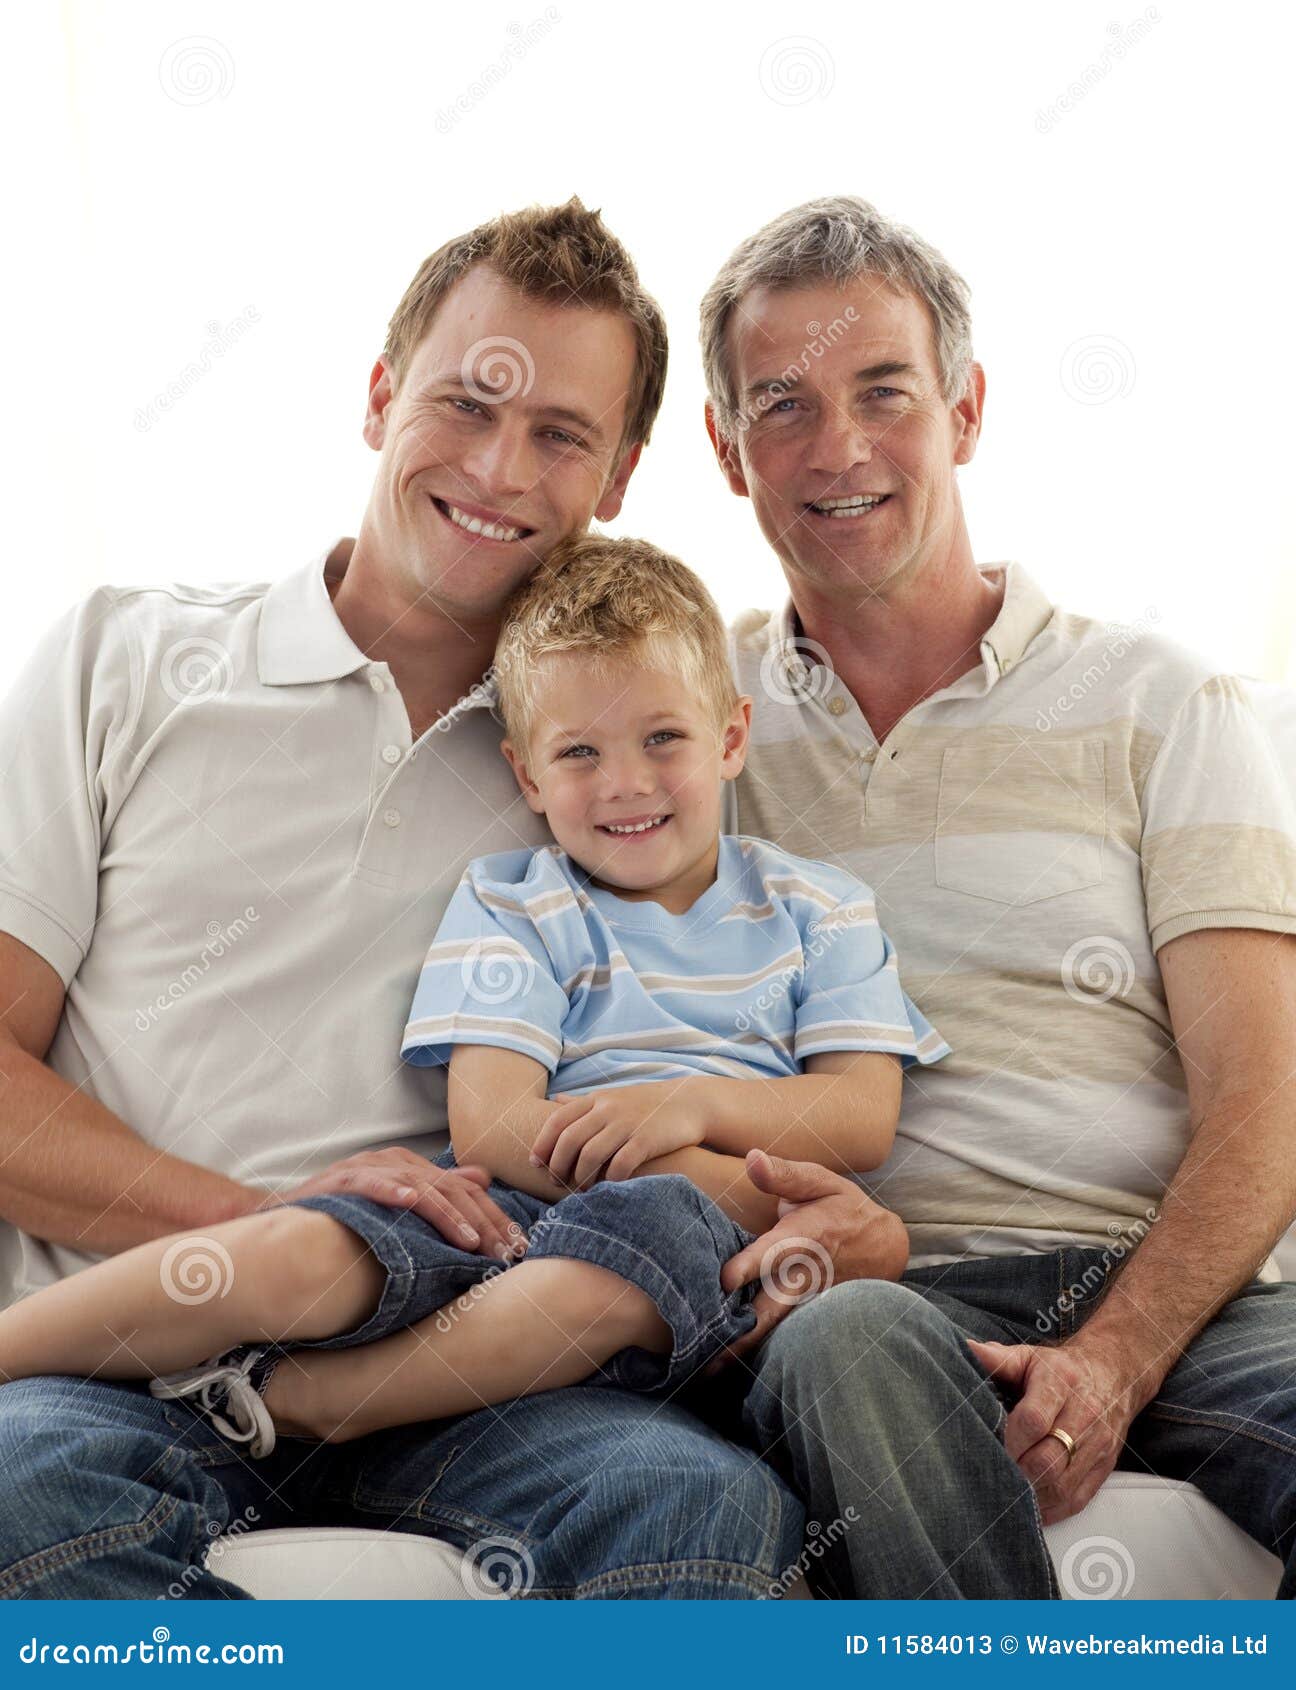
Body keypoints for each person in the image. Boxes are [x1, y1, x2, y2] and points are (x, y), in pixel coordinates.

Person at [0, 198, 909, 1602]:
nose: (500, 465)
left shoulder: (619, 749)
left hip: (494, 1355)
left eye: (561, 434)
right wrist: (261, 1234)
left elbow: (760, 1042)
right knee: (25, 1491)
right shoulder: (127, 657)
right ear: (380, 396)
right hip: (138, 1352)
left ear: (618, 473)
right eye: (468, 401)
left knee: (695, 1507)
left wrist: (838, 1218)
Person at [0, 534, 948, 1458]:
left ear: (732, 735)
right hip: (511, 1206)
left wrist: (686, 1112)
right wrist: (726, 1178)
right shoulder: (514, 901)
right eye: (580, 753)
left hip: (688, 1238)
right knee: (300, 1248)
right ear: (527, 775)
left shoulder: (819, 907)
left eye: (664, 737)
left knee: (621, 1263)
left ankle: (310, 1403)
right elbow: (494, 1129)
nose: (626, 783)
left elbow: (860, 1114)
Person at [695, 194, 1296, 1598]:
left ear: (965, 410)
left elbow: (1268, 1099)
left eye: (882, 393)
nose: (836, 448)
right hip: (881, 1299)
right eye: (782, 405)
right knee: (846, 1343)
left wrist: (1116, 1349)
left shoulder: (1162, 702)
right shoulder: (683, 726)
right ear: (726, 451)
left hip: (1174, 1289)